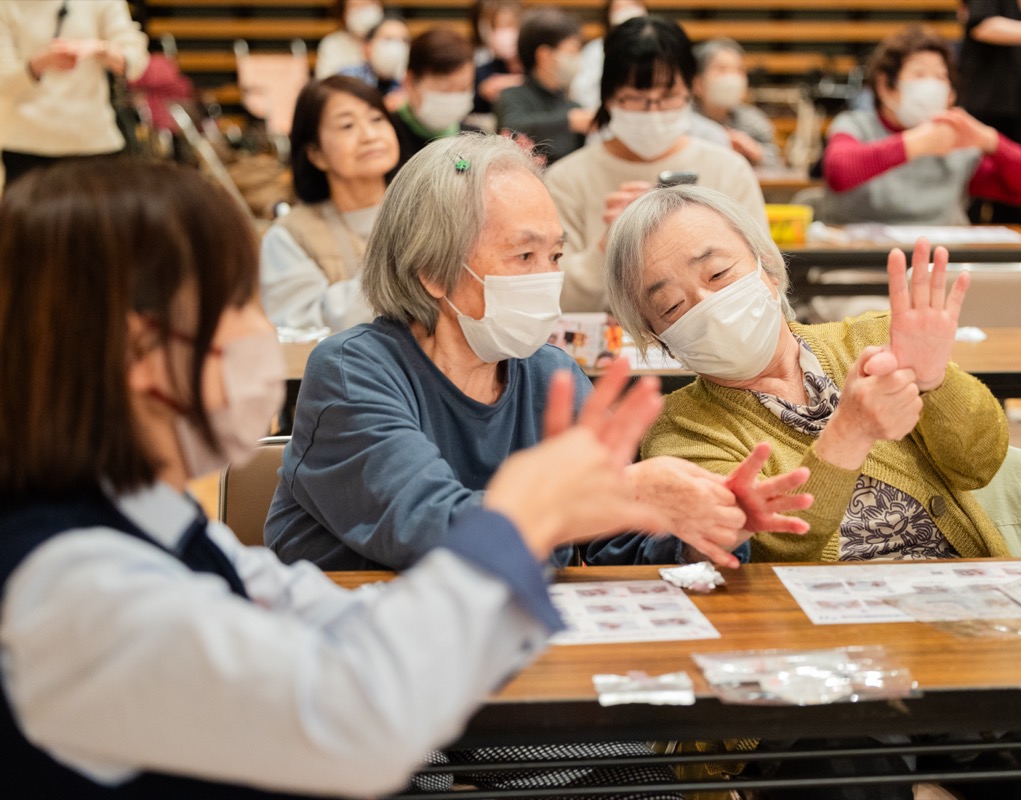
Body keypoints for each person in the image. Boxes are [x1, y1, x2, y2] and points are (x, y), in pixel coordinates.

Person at [0, 157, 673, 797]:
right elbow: (361, 714)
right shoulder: (70, 590)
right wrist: (521, 519)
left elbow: (313, 605)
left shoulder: (158, 522)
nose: (265, 334)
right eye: (241, 304)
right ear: (144, 352)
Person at [264, 132, 809, 793]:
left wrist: (703, 522)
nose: (547, 278)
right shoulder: (354, 371)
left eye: (554, 254)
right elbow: (433, 530)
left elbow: (610, 546)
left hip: (516, 668)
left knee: (646, 784)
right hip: (372, 673)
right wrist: (614, 494)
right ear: (431, 273)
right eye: (523, 255)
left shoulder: (550, 371)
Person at [598, 185, 1014, 564]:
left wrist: (934, 382)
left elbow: (978, 465)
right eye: (672, 305)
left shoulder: (872, 338)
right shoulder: (679, 432)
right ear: (661, 340)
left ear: (768, 269)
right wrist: (848, 433)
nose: (709, 304)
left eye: (719, 274)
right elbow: (765, 552)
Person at [545, 16, 768, 312]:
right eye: (636, 98)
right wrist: (607, 247)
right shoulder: (567, 180)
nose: (653, 111)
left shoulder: (728, 170)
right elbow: (553, 301)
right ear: (608, 97)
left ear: (691, 92)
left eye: (667, 97)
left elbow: (767, 280)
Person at [821, 25, 1021, 225]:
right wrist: (917, 143)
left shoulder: (954, 143)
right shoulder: (855, 126)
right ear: (885, 86)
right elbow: (839, 171)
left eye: (940, 77)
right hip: (859, 263)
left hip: (939, 261)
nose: (932, 85)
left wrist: (989, 139)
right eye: (919, 74)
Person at [260, 76, 400, 332]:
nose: (369, 135)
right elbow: (298, 323)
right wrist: (403, 276)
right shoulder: (291, 235)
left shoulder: (426, 208)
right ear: (316, 153)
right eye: (347, 126)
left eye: (377, 119)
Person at [0, 0, 148, 186]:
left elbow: (135, 61)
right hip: (27, 144)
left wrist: (99, 48)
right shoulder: (7, 4)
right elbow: (3, 81)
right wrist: (40, 62)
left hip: (93, 142)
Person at [958, 0, 1021, 226]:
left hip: (1016, 108)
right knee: (975, 196)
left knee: (1015, 198)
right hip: (985, 106)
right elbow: (982, 25)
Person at [494, 7, 590, 164]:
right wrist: (569, 121)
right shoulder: (511, 97)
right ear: (545, 55)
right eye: (573, 51)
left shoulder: (572, 105)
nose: (578, 58)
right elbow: (512, 127)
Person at [394, 28, 482, 168]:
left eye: (464, 88)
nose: (455, 98)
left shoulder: (476, 139)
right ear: (409, 81)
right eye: (445, 89)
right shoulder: (388, 138)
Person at [692, 38, 782, 167]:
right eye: (722, 69)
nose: (732, 78)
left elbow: (776, 161)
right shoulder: (682, 122)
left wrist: (756, 153)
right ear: (698, 83)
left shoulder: (754, 120)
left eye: (739, 70)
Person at [569, 0, 648, 109]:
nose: (626, 11)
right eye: (619, 7)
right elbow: (581, 91)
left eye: (632, 5)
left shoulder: (658, 47)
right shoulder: (596, 50)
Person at [336, 13, 410, 111]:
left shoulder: (411, 83)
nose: (397, 47)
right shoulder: (347, 77)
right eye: (389, 39)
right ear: (368, 47)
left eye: (404, 41)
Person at [471, 0, 524, 114]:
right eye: (495, 27)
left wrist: (521, 83)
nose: (504, 33)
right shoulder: (482, 73)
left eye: (510, 24)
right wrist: (482, 93)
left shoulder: (538, 67)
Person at [315, 0, 382, 79]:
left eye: (369, 4)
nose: (364, 11)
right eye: (355, 5)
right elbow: (326, 84)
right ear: (344, 12)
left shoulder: (393, 40)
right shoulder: (332, 44)